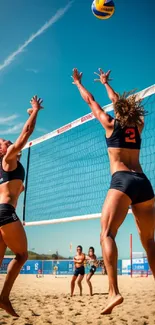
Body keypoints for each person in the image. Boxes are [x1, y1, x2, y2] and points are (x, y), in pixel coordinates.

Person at [72, 68, 155, 314]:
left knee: (106, 234)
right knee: (150, 241)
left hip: (122, 182)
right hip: (144, 182)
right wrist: (108, 84)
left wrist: (78, 83)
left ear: (116, 110)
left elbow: (91, 101)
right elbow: (119, 103)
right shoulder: (139, 125)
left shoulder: (109, 124)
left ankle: (113, 293)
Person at [0, 96, 43, 317]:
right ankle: (4, 298)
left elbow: (11, 189)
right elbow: (25, 134)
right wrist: (35, 111)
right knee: (22, 255)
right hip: (5, 213)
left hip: (1, 211)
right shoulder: (7, 158)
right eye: (4, 141)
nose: (7, 141)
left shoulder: (7, 166)